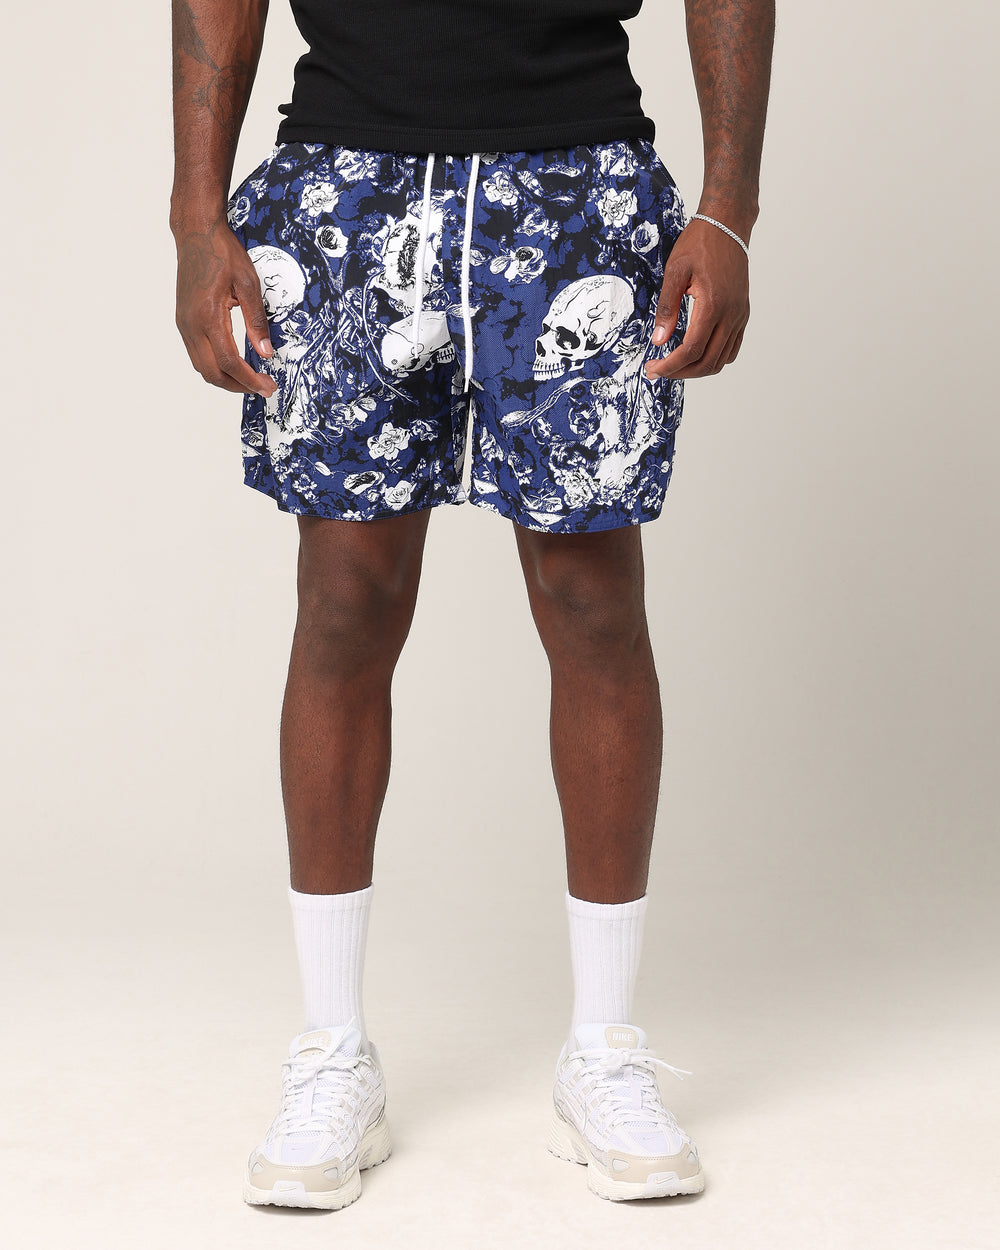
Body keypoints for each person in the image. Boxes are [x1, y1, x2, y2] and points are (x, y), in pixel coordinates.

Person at [170, 0, 773, 1209]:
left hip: (576, 180)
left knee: (591, 599)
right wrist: (196, 215)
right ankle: (332, 1048)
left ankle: (603, 1047)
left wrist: (727, 209)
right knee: (345, 597)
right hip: (347, 183)